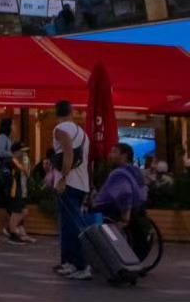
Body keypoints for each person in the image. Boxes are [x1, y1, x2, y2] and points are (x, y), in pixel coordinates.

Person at [50, 99, 91, 279]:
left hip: (69, 183)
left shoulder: (60, 129)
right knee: (68, 224)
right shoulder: (82, 133)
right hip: (82, 183)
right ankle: (68, 262)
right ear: (71, 112)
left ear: (56, 113)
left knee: (71, 226)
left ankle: (81, 265)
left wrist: (63, 178)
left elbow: (68, 153)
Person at [93, 142, 147, 221]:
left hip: (108, 217)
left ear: (124, 156)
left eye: (114, 152)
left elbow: (126, 193)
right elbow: (143, 193)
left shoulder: (119, 173)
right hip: (136, 215)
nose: (110, 155)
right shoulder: (136, 171)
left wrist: (125, 218)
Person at [4, 144, 36, 242]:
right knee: (17, 212)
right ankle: (12, 233)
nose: (24, 153)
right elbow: (24, 173)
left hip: (21, 191)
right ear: (16, 152)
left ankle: (10, 229)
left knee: (23, 211)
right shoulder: (12, 162)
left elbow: (27, 174)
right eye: (22, 151)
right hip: (15, 191)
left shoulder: (20, 161)